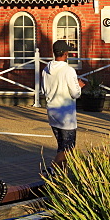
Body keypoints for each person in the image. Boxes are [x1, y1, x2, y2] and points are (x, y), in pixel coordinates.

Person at [41, 40, 84, 170]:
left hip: (52, 112)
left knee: (61, 146)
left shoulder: (45, 70)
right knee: (68, 148)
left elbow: (43, 91)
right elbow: (75, 93)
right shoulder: (68, 70)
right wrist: (79, 86)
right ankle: (52, 169)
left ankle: (61, 174)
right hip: (66, 114)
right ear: (65, 54)